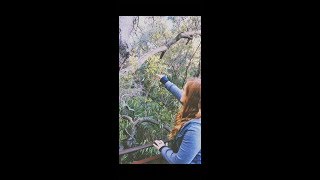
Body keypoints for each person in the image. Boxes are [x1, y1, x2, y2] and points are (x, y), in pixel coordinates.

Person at [153, 75, 201, 164]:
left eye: (184, 91)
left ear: (191, 99)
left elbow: (180, 162)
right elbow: (179, 94)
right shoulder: (196, 108)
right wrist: (165, 81)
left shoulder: (196, 130)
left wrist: (162, 148)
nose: (181, 92)